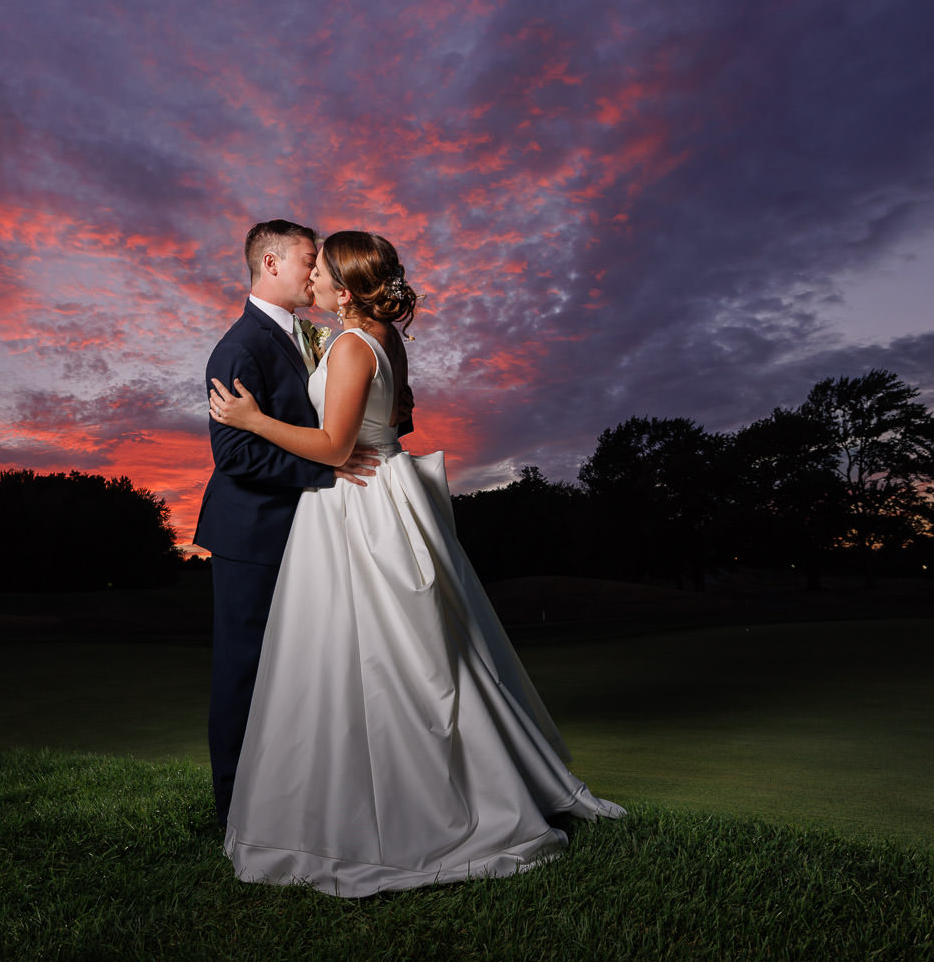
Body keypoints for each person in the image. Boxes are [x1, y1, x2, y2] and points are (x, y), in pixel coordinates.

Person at [207, 230, 623, 897]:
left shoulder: (346, 342)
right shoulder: (378, 335)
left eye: (320, 270)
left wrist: (255, 419)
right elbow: (393, 418)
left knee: (367, 651)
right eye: (306, 264)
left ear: (343, 292)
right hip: (383, 492)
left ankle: (393, 802)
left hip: (356, 502)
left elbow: (337, 443)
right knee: (402, 649)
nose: (311, 276)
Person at [193, 220, 379, 831]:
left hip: (301, 534)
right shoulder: (238, 347)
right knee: (244, 672)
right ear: (270, 263)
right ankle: (233, 815)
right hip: (252, 537)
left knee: (298, 673)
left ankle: (288, 801)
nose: (317, 269)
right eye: (308, 258)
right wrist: (327, 470)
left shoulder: (311, 335)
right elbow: (236, 456)